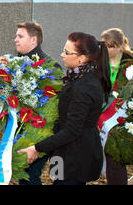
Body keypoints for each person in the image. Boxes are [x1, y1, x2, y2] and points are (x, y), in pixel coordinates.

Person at [19, 32, 111, 185]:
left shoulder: (86, 87)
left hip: (76, 157)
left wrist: (37, 148)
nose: (62, 55)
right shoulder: (76, 78)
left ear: (82, 58)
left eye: (67, 52)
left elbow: (72, 129)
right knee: (56, 179)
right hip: (61, 152)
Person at [14, 21, 61, 185]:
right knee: (23, 175)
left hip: (41, 135)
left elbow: (57, 107)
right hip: (21, 130)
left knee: (30, 176)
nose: (15, 40)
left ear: (34, 40)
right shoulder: (15, 65)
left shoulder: (51, 68)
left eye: (20, 36)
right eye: (16, 36)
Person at [99, 28, 132, 185]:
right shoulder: (100, 63)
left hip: (126, 118)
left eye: (110, 46)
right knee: (113, 159)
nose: (106, 50)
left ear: (120, 46)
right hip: (107, 123)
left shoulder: (130, 64)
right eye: (104, 46)